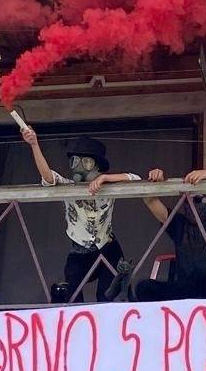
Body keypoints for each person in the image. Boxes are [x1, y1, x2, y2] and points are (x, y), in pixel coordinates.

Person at [21, 127, 140, 302]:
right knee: (72, 294)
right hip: (79, 251)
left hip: (107, 248)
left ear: (97, 166)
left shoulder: (109, 188)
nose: (79, 167)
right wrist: (34, 144)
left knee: (105, 297)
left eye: (86, 163)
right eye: (75, 162)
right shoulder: (68, 186)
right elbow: (48, 178)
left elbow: (136, 179)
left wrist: (106, 178)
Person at [136, 168, 206, 301]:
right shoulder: (179, 224)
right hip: (186, 292)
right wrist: (155, 180)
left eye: (198, 199)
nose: (192, 205)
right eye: (188, 200)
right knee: (144, 288)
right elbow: (150, 200)